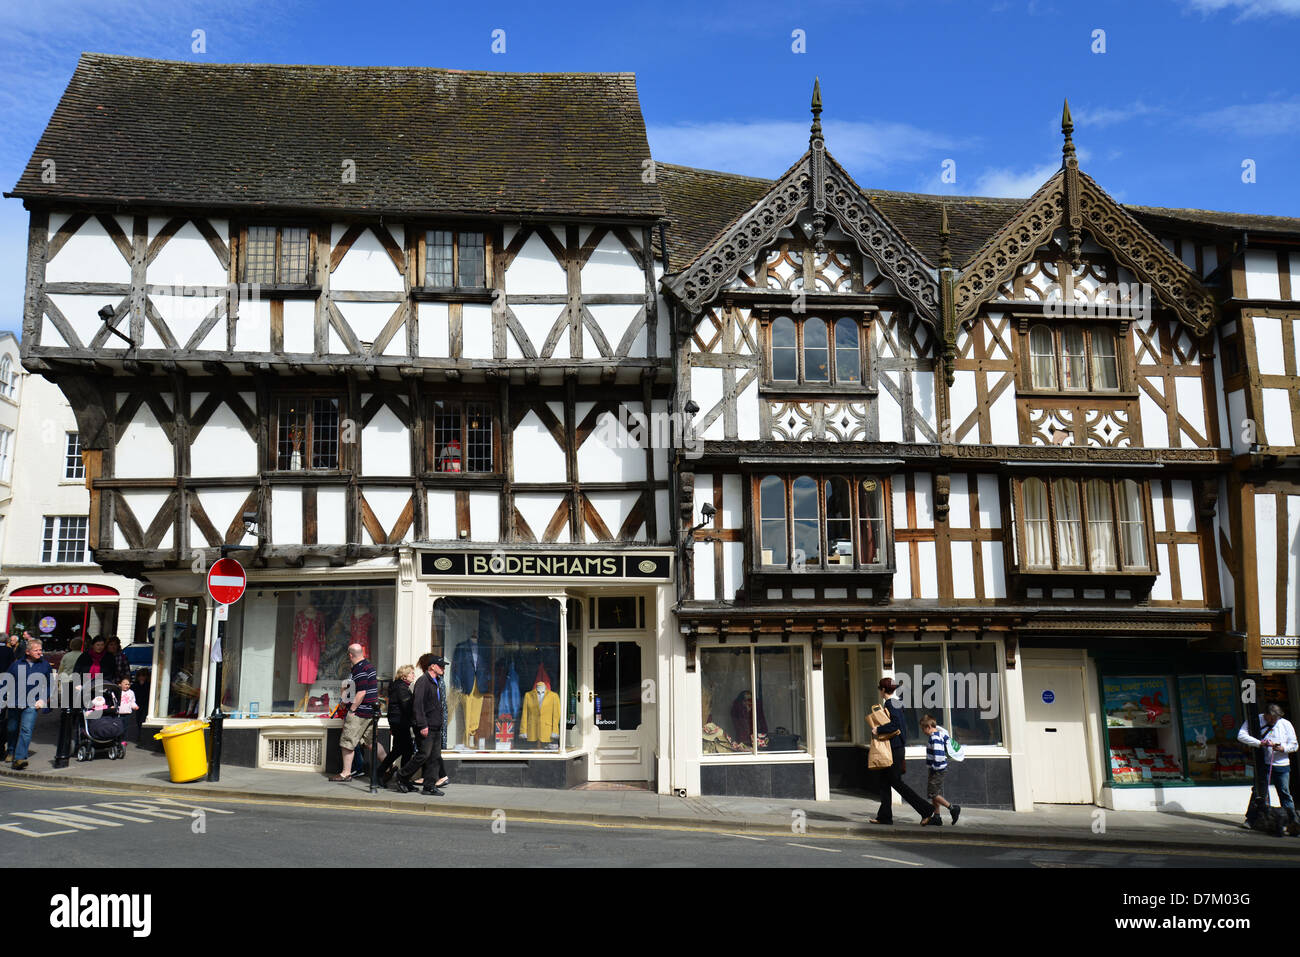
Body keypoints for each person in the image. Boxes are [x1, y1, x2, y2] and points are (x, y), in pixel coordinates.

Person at [869, 677, 940, 826]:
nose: (880, 692)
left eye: (880, 689)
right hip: (896, 749)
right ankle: (885, 816)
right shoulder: (898, 702)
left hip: (893, 750)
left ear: (883, 690)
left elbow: (895, 726)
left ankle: (926, 809)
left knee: (896, 782)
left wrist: (878, 729)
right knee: (884, 782)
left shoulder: (891, 703)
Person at [331, 643, 386, 782]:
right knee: (371, 742)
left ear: (350, 655)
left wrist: (352, 710)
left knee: (347, 742)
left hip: (360, 712)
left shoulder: (359, 669)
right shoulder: (369, 666)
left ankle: (346, 773)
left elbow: (361, 692)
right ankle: (388, 766)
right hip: (372, 712)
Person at [395, 654, 446, 796]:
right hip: (426, 726)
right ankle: (402, 776)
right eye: (441, 666)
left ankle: (429, 786)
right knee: (423, 755)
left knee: (434, 758)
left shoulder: (436, 681)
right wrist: (423, 725)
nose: (443, 669)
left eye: (443, 666)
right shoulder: (423, 681)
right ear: (432, 667)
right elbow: (418, 705)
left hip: (436, 726)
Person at [1238, 703, 1298, 821]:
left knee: (1284, 793)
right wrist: (1259, 743)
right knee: (1259, 792)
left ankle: (1293, 822)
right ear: (1265, 715)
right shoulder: (1255, 720)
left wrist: (1283, 748)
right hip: (1263, 763)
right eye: (1271, 719)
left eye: (1276, 719)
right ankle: (1253, 819)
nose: (1274, 721)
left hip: (1281, 764)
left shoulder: (1285, 724)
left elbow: (1294, 744)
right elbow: (1241, 735)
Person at [6, 638, 52, 770]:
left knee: (26, 730)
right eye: (36, 650)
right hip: (15, 701)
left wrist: (43, 699)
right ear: (27, 652)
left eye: (40, 650)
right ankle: (11, 750)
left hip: (33, 702)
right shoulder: (16, 664)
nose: (39, 653)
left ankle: (19, 758)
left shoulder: (45, 665)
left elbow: (50, 685)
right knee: (12, 729)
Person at [378, 664, 417, 787]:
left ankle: (384, 775)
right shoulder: (401, 688)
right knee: (407, 750)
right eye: (411, 673)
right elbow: (406, 707)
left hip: (398, 722)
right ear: (404, 676)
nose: (413, 675)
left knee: (399, 750)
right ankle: (402, 778)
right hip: (400, 723)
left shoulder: (401, 686)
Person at [920, 713, 961, 826]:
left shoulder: (935, 738)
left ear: (928, 727)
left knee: (933, 793)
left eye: (923, 728)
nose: (923, 731)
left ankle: (953, 808)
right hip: (935, 769)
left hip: (937, 770)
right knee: (934, 792)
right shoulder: (937, 735)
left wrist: (934, 768)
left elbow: (938, 756)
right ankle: (937, 817)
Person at [114, 675, 139, 747]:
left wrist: (134, 706)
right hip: (118, 713)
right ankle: (116, 740)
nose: (127, 686)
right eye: (125, 684)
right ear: (120, 684)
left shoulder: (131, 692)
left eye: (129, 684)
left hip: (127, 713)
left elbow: (132, 702)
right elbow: (114, 700)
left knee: (125, 728)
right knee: (118, 727)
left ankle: (123, 740)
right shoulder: (117, 691)